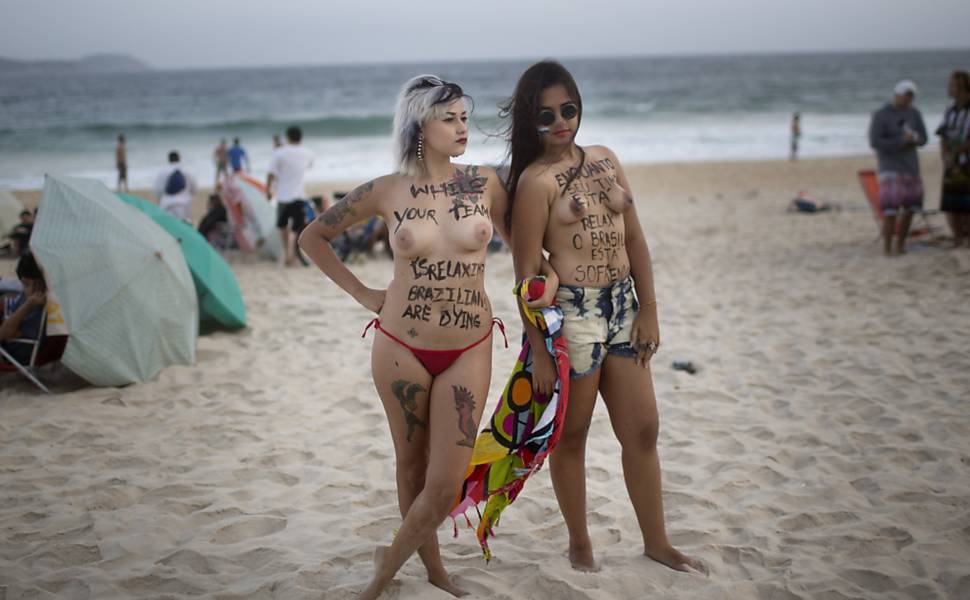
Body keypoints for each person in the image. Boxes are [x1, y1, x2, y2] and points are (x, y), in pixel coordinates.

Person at [298, 75, 556, 600]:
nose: (463, 127)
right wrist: (365, 294)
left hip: (469, 347)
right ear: (421, 124)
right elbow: (313, 236)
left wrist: (547, 283)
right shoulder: (387, 190)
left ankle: (380, 576)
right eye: (450, 119)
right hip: (400, 348)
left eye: (464, 117)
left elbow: (525, 257)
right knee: (411, 466)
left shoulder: (485, 182)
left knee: (443, 483)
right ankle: (434, 570)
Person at [504, 60, 702, 574]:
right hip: (575, 317)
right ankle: (580, 542)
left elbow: (634, 238)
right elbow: (526, 272)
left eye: (568, 109)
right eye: (545, 115)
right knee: (573, 435)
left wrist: (650, 310)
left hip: (624, 308)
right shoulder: (534, 182)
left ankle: (656, 542)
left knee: (643, 429)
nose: (560, 122)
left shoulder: (607, 158)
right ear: (531, 121)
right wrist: (541, 350)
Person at [868, 80, 928, 256]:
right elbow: (875, 141)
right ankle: (887, 247)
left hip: (910, 167)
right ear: (897, 94)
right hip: (890, 166)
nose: (909, 99)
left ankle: (900, 245)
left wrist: (914, 138)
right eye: (906, 95)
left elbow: (924, 139)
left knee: (911, 207)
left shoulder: (914, 114)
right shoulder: (881, 115)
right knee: (890, 209)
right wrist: (900, 141)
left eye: (911, 96)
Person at [267, 126, 314, 266]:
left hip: (283, 196)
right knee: (296, 228)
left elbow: (271, 174)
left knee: (282, 226)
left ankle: (287, 253)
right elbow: (309, 166)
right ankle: (292, 255)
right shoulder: (308, 153)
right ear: (301, 137)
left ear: (287, 137)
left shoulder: (279, 153)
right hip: (299, 195)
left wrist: (267, 191)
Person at [937, 70, 970, 247]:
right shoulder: (950, 111)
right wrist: (945, 156)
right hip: (952, 164)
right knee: (953, 205)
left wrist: (957, 151)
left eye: (953, 85)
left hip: (967, 162)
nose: (950, 88)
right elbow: (942, 134)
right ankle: (958, 238)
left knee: (966, 204)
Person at [0, 253, 47, 365]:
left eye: (37, 283)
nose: (31, 290)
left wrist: (28, 304)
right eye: (25, 284)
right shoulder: (29, 295)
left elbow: (3, 333)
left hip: (10, 355)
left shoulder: (39, 309)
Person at [154, 151, 198, 223]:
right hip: (184, 206)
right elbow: (195, 189)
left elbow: (158, 191)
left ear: (169, 159)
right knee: (184, 229)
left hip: (167, 205)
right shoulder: (187, 171)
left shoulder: (162, 172)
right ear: (179, 158)